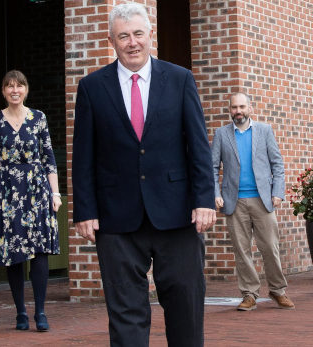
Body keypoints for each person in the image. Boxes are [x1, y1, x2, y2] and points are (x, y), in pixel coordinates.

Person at [72, 3, 216, 347]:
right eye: (123, 36)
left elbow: (198, 146)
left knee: (186, 305)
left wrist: (204, 199)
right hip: (116, 218)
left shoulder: (180, 79)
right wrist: (85, 210)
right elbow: (83, 155)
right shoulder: (92, 87)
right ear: (112, 40)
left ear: (150, 35)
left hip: (178, 214)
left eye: (138, 33)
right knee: (125, 315)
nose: (132, 42)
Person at [0, 70, 61, 331]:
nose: (15, 90)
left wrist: (55, 193)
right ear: (3, 91)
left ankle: (40, 312)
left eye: (19, 86)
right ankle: (20, 313)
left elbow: (49, 157)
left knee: (39, 250)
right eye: (9, 86)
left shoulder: (38, 118)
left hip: (37, 189)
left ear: (26, 90)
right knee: (13, 250)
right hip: (6, 191)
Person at [211, 92, 295, 311]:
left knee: (270, 247)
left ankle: (278, 291)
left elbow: (277, 163)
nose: (238, 111)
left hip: (262, 199)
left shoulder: (264, 131)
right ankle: (249, 294)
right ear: (229, 110)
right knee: (242, 250)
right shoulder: (221, 134)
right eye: (234, 107)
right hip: (234, 201)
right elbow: (212, 167)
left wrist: (277, 192)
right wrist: (215, 192)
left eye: (241, 106)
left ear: (250, 108)